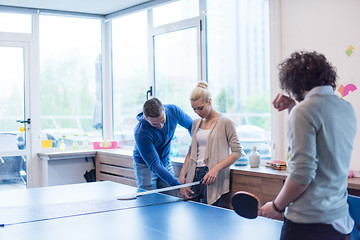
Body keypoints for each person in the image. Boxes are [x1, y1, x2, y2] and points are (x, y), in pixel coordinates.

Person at [258, 51, 357, 240]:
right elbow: (324, 146)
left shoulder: (304, 111)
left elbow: (302, 175)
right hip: (341, 225)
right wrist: (292, 107)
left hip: (308, 226)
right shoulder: (346, 108)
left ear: (294, 83)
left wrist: (277, 206)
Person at [178, 82, 242, 206]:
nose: (197, 112)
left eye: (200, 108)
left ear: (209, 101)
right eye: (194, 109)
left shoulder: (225, 122)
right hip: (193, 176)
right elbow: (191, 152)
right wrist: (182, 177)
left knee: (211, 219)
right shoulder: (196, 123)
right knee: (193, 216)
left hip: (212, 177)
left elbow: (237, 152)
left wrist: (216, 169)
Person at [133, 98, 194, 197]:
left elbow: (191, 126)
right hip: (145, 165)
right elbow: (155, 164)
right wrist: (178, 185)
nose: (160, 126)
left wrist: (197, 148)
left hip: (164, 160)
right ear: (145, 118)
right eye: (155, 124)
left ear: (164, 111)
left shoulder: (174, 111)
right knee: (149, 199)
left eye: (163, 121)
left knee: (171, 196)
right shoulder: (141, 132)